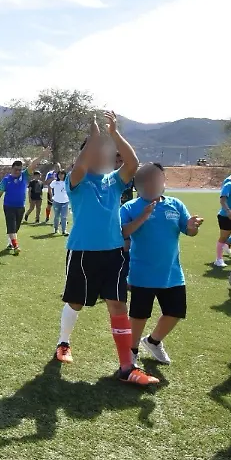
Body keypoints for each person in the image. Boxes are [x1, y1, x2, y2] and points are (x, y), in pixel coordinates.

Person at [56, 112, 158, 386]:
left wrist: (113, 134)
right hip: (83, 252)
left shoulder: (114, 181)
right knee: (76, 302)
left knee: (117, 303)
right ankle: (63, 343)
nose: (107, 157)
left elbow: (133, 162)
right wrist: (94, 137)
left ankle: (127, 367)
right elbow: (79, 166)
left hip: (114, 252)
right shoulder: (75, 180)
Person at [119, 163, 202, 365]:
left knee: (175, 313)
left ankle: (154, 341)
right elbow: (122, 233)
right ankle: (132, 350)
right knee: (139, 316)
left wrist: (192, 227)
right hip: (142, 273)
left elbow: (189, 231)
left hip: (172, 273)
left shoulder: (175, 204)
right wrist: (144, 216)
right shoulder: (130, 207)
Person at [0, 150, 51, 255]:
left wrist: (42, 155)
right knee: (11, 226)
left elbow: (33, 164)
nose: (18, 172)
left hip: (21, 207)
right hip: (8, 206)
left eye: (20, 170)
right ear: (12, 168)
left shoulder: (24, 176)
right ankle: (16, 246)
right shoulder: (6, 180)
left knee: (16, 228)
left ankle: (10, 242)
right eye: (16, 170)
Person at [50, 169, 70, 235]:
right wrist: (51, 196)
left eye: (62, 174)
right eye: (59, 174)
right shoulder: (55, 182)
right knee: (56, 216)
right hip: (56, 201)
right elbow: (50, 187)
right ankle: (56, 229)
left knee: (64, 217)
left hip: (65, 201)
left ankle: (64, 231)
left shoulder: (67, 182)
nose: (60, 176)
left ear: (65, 175)